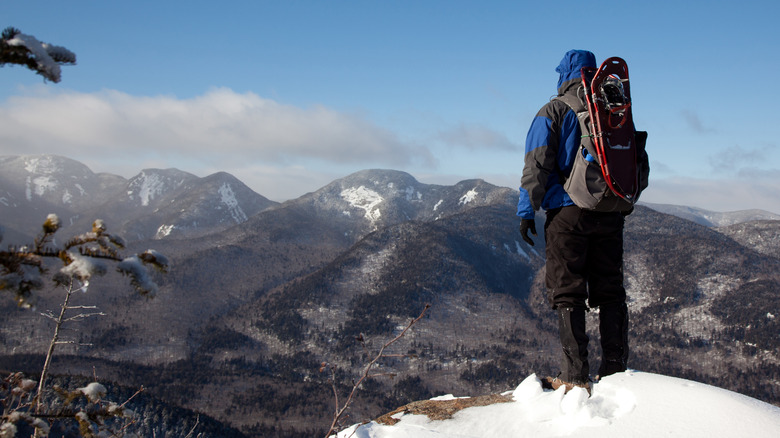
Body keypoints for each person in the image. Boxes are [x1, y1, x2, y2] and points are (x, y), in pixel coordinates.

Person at [517, 49, 633, 394]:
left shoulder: (554, 110)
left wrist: (527, 211)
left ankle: (575, 376)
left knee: (568, 292)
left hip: (568, 214)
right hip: (611, 211)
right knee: (610, 290)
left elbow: (536, 165)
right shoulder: (613, 108)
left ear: (565, 74)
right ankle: (615, 369)